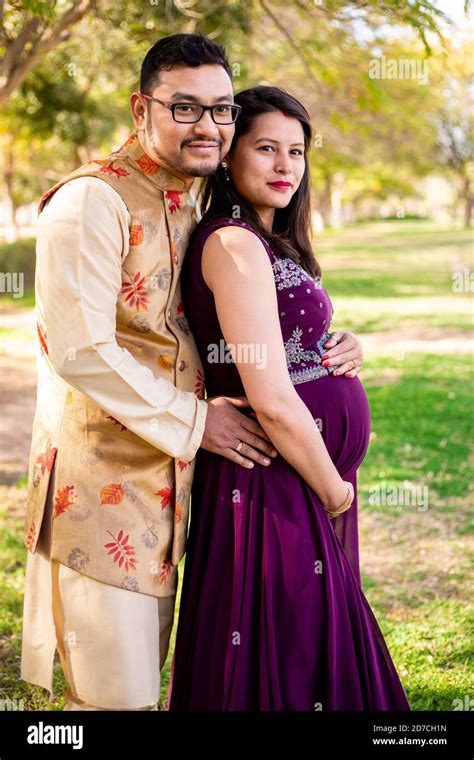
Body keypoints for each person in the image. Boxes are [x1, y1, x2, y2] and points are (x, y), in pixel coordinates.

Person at [20, 34, 363, 711]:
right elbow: (80, 348)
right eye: (185, 108)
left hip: (186, 490)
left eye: (222, 109)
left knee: (169, 678)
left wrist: (324, 346)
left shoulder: (193, 201)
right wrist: (200, 419)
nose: (208, 126)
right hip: (103, 492)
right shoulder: (92, 202)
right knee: (116, 698)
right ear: (141, 107)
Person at [168, 85, 410, 711]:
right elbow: (271, 398)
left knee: (305, 648)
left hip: (299, 472)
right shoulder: (232, 242)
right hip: (276, 477)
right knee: (289, 649)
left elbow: (289, 338)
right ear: (229, 155)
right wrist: (333, 488)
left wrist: (341, 343)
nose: (285, 167)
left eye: (296, 152)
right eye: (267, 149)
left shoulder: (271, 241)